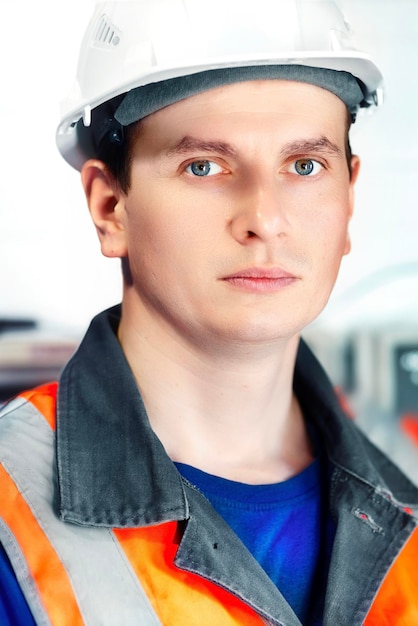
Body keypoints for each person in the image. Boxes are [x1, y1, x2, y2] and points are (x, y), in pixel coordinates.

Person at [1, 0, 417, 624]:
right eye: (205, 166)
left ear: (349, 197)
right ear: (110, 206)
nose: (264, 219)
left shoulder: (406, 503)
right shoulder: (12, 511)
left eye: (305, 165)